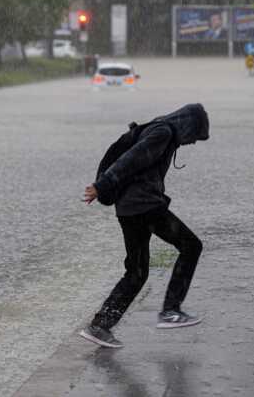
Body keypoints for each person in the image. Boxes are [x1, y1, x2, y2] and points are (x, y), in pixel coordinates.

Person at [80, 104, 210, 348]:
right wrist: (102, 186)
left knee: (137, 272)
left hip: (129, 210)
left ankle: (100, 326)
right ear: (188, 124)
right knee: (191, 245)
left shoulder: (159, 129)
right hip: (144, 206)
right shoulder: (163, 133)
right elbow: (130, 160)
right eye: (194, 136)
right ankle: (171, 311)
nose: (192, 142)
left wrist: (104, 187)